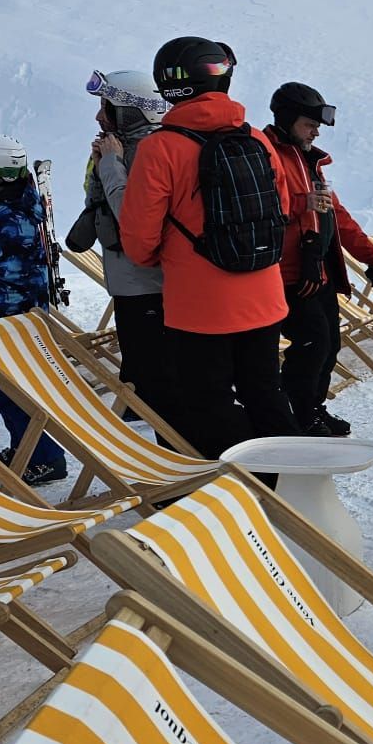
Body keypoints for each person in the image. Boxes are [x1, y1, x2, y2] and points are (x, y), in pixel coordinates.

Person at [119, 36, 299, 461]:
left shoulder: (159, 148)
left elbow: (139, 239)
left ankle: (245, 482)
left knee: (209, 400)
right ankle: (294, 476)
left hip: (199, 306)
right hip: (264, 296)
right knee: (265, 391)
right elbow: (283, 209)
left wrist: (172, 257)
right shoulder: (257, 138)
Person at [261, 81, 373, 436]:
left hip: (320, 273)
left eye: (317, 126)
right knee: (311, 344)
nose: (315, 132)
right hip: (288, 275)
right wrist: (302, 204)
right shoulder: (265, 153)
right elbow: (261, 208)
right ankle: (298, 415)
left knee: (328, 345)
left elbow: (338, 218)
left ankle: (313, 408)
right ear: (286, 119)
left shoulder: (310, 162)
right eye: (308, 124)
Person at [0, 128, 70, 486]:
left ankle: (44, 458)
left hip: (9, 323)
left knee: (13, 390)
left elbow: (16, 279)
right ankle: (26, 447)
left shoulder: (10, 217)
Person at [68, 69, 170, 416]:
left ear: (129, 111)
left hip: (148, 282)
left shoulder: (148, 151)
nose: (99, 117)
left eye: (106, 108)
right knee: (137, 356)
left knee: (150, 365)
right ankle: (137, 407)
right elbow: (97, 202)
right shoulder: (117, 147)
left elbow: (133, 217)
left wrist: (111, 164)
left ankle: (146, 419)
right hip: (129, 280)